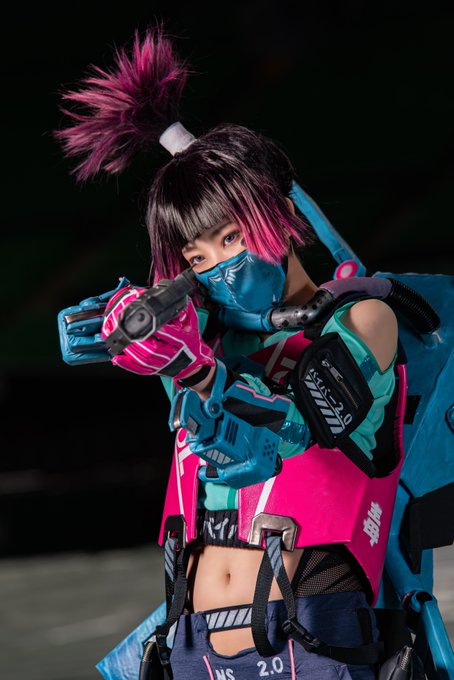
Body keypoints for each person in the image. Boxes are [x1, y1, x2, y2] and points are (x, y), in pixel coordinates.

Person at [55, 26, 405, 680]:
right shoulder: (208, 335)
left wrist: (193, 367)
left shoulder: (363, 319)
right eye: (196, 256)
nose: (216, 265)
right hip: (191, 637)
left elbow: (291, 432)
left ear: (277, 216)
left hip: (305, 630)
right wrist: (146, 339)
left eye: (229, 237)